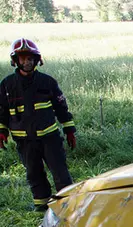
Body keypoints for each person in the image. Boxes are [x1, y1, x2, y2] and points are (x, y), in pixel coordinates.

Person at [0, 38, 76, 211]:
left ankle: (69, 207)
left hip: (50, 139)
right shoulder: (6, 85)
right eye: (23, 58)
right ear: (15, 61)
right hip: (25, 142)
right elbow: (2, 111)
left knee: (60, 174)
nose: (27, 62)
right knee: (34, 175)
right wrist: (2, 131)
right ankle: (42, 209)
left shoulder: (47, 82)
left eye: (30, 58)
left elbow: (61, 107)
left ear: (36, 59)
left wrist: (69, 129)